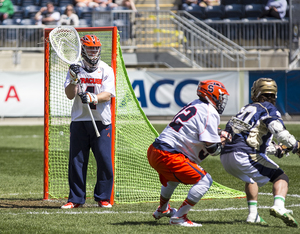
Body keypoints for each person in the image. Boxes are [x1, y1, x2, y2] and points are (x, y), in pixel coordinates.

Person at [147, 80, 230, 227]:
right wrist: (224, 141)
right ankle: (179, 217)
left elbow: (194, 128)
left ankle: (163, 209)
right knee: (205, 180)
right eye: (220, 96)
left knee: (172, 179)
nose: (222, 101)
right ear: (212, 94)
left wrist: (219, 134)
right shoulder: (210, 112)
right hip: (168, 154)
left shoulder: (195, 104)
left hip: (155, 150)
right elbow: (212, 149)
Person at [220, 78, 300, 227]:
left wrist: (278, 149)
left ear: (255, 93)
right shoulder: (268, 108)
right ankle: (279, 206)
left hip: (225, 156)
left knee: (251, 177)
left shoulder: (245, 109)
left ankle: (253, 215)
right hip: (243, 154)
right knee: (280, 176)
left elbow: (254, 140)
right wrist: (296, 146)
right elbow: (280, 133)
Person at [61, 34, 116, 209]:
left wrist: (92, 97)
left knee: (104, 160)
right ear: (83, 50)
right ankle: (76, 198)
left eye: (96, 48)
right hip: (79, 120)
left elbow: (108, 94)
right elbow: (70, 95)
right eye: (90, 48)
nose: (93, 52)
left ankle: (103, 197)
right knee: (77, 161)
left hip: (101, 120)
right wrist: (74, 79)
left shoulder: (106, 69)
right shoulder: (74, 69)